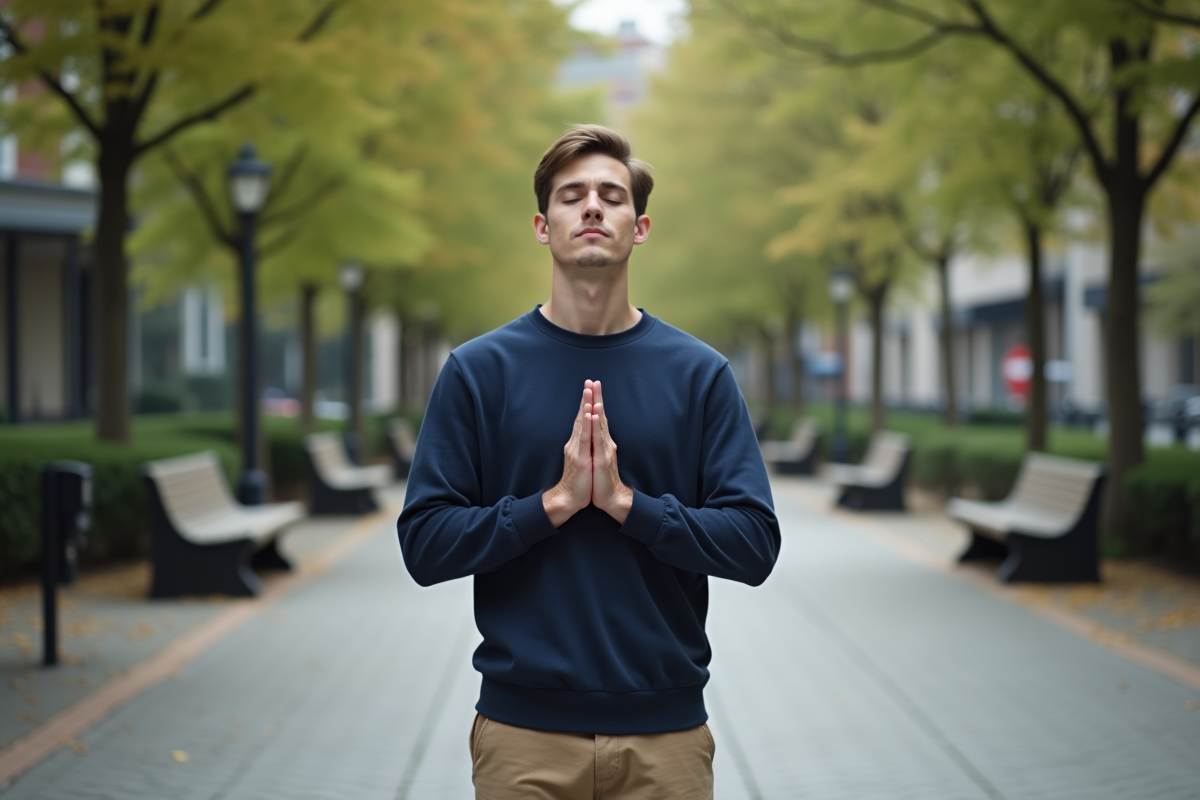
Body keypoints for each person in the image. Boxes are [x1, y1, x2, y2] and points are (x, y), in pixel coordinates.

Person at [397, 124, 781, 799]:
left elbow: (754, 544)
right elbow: (425, 545)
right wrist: (555, 504)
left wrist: (629, 505)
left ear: (641, 226)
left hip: (666, 740)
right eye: (573, 196)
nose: (594, 208)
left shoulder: (699, 375)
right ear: (543, 227)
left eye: (612, 194)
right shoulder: (479, 372)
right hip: (523, 737)